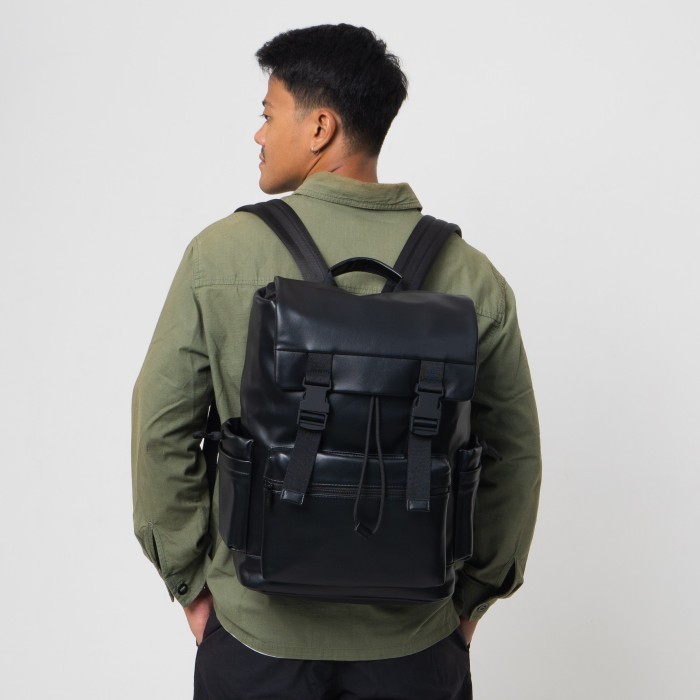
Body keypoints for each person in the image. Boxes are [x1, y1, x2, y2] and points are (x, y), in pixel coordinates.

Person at [132, 23, 541, 700]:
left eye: (269, 114)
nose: (258, 134)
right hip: (414, 646)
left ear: (320, 126)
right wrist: (469, 601)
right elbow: (514, 455)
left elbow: (161, 430)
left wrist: (193, 586)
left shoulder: (221, 254)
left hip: (256, 637)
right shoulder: (471, 276)